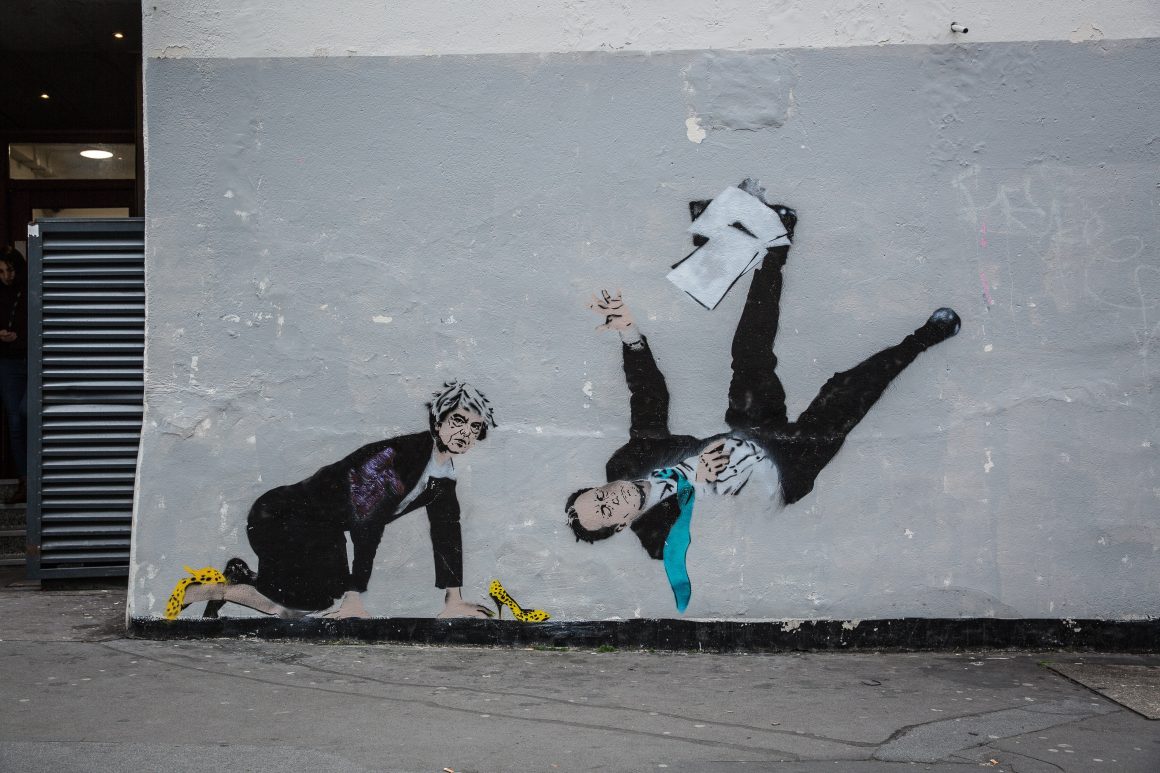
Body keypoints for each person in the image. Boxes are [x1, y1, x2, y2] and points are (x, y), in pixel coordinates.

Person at [565, 203, 961, 612]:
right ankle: (923, 339)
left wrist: (629, 335)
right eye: (606, 510)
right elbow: (736, 536)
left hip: (749, 430)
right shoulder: (659, 540)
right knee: (846, 393)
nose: (610, 498)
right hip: (783, 469)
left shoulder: (626, 463)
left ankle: (775, 250)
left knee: (749, 354)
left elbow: (649, 401)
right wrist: (696, 481)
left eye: (599, 495)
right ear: (621, 525)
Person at [175, 380, 497, 619]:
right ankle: (203, 591)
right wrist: (354, 598)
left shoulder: (442, 475)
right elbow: (367, 522)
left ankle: (240, 578)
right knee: (296, 610)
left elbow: (446, 533)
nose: (465, 432)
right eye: (458, 421)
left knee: (317, 604)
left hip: (321, 530)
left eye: (474, 426)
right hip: (280, 516)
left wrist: (454, 601)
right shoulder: (398, 456)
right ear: (439, 421)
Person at [0, 248, 27, 504]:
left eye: (10, 270)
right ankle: (24, 480)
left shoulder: (30, 289)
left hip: (31, 360)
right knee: (15, 422)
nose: (6, 276)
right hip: (8, 363)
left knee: (26, 412)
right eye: (1, 271)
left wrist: (18, 338)